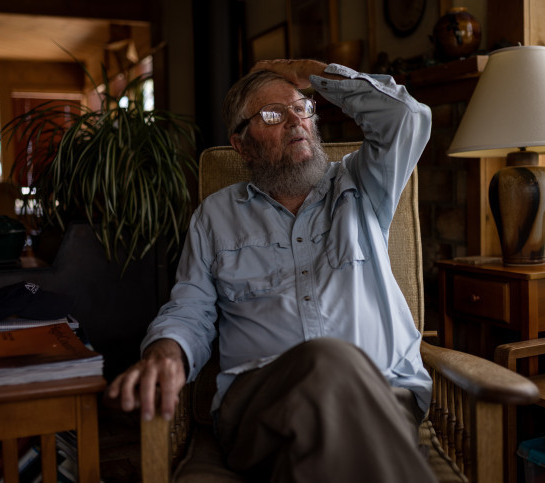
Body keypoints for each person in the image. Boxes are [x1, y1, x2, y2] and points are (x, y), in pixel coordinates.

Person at [107, 59, 436, 482]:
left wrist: (307, 70)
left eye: (302, 108)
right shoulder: (215, 217)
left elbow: (407, 117)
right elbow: (190, 310)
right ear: (241, 145)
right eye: (272, 115)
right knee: (328, 360)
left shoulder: (364, 185)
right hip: (258, 403)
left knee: (319, 419)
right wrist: (167, 352)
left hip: (382, 395)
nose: (296, 121)